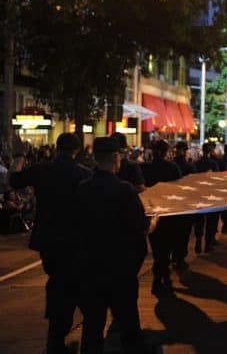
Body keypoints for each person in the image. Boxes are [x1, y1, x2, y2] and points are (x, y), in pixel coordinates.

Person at [10, 133, 93, 354]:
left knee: (57, 281)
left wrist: (19, 155)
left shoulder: (42, 170)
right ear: (76, 150)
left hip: (48, 239)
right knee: (78, 285)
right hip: (76, 240)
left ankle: (56, 335)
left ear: (57, 148)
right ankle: (75, 333)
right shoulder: (85, 174)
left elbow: (13, 180)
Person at [75, 137, 154, 353]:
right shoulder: (124, 190)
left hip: (90, 265)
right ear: (116, 158)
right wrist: (154, 220)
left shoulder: (82, 189)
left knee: (92, 322)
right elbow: (142, 226)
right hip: (121, 267)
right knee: (128, 319)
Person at [140, 139, 182, 295]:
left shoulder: (144, 167)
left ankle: (160, 275)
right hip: (169, 211)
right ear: (166, 152)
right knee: (167, 246)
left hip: (150, 209)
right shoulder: (172, 167)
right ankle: (162, 274)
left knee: (157, 246)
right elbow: (179, 188)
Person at [171, 141, 197, 270]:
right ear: (185, 150)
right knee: (183, 233)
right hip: (185, 204)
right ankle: (180, 258)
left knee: (171, 233)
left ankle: (172, 256)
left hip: (169, 203)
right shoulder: (189, 166)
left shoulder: (170, 165)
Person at [194, 143, 220, 253]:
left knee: (199, 219)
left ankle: (198, 240)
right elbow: (218, 179)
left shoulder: (196, 164)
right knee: (211, 220)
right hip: (211, 195)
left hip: (198, 194)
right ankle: (208, 244)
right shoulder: (213, 163)